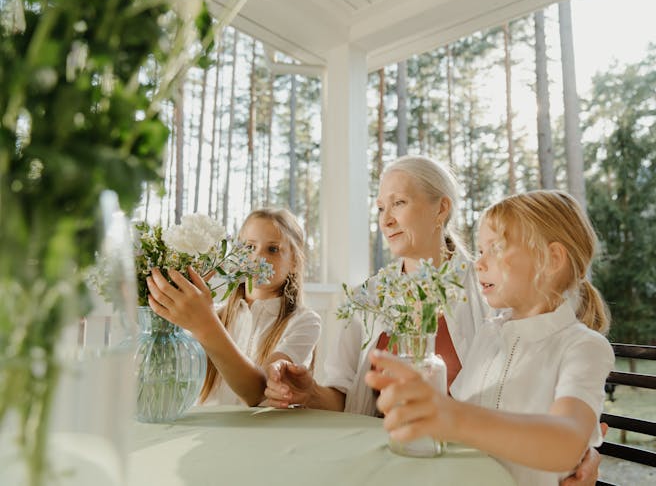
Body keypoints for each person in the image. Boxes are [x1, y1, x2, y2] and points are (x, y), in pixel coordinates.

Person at [366, 190, 615, 486]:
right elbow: (457, 409)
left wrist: (453, 417)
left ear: (551, 259)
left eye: (495, 248)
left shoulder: (583, 347)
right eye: (480, 251)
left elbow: (566, 443)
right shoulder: (488, 334)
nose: (479, 263)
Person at [264, 155, 487, 415]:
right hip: (383, 447)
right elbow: (342, 398)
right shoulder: (367, 297)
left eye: (399, 203)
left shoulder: (486, 290)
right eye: (381, 208)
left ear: (441, 208)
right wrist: (309, 393)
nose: (386, 220)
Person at [146, 207, 321, 406]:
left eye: (273, 249)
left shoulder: (304, 321)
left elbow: (261, 392)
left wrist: (205, 324)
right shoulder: (215, 313)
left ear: (295, 263)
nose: (257, 258)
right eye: (249, 248)